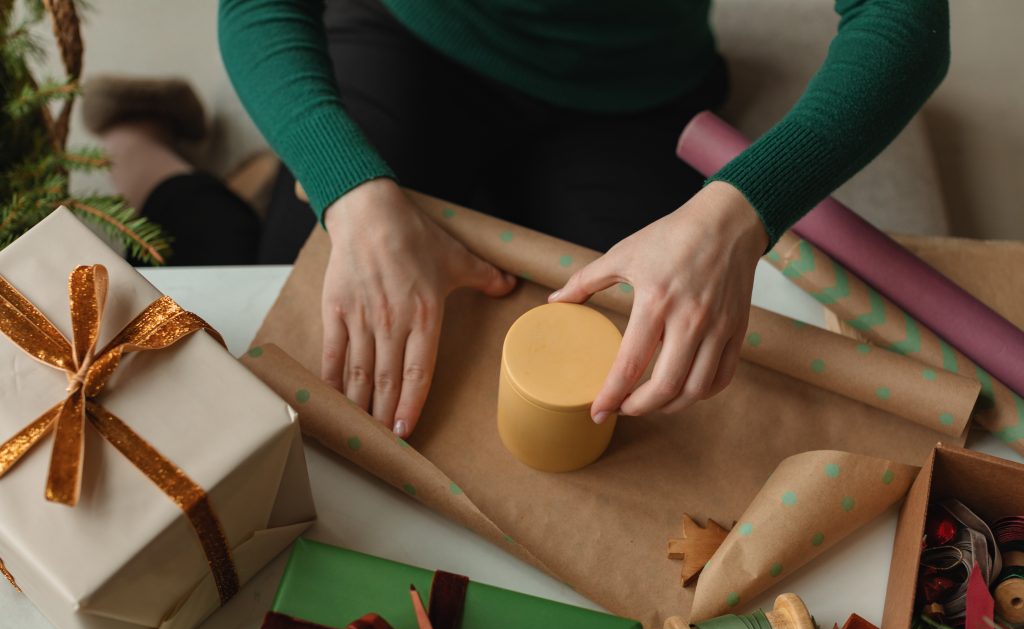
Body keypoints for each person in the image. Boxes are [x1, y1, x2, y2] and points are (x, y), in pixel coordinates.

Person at [91, 0, 950, 441]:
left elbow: (904, 17)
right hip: (406, 35)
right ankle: (141, 141)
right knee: (285, 314)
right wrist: (350, 192)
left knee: (620, 385)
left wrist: (738, 215)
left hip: (628, 91)